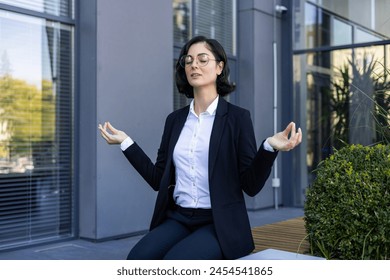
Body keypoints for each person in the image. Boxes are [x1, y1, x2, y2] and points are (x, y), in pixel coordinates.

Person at [98, 35, 302, 260]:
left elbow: (250, 185)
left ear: (219, 67)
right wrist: (126, 142)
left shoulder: (237, 118)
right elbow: (158, 179)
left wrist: (269, 147)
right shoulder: (174, 120)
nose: (194, 64)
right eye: (188, 60)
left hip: (219, 222)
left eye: (203, 59)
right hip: (178, 217)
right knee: (137, 259)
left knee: (175, 264)